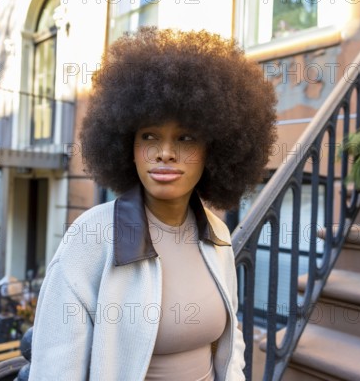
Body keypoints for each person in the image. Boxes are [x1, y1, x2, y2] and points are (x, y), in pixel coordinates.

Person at [29, 28, 276, 380]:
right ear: (127, 146)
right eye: (149, 136)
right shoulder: (92, 237)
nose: (164, 152)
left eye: (185, 137)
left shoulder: (217, 235)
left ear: (213, 150)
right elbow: (56, 368)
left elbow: (229, 337)